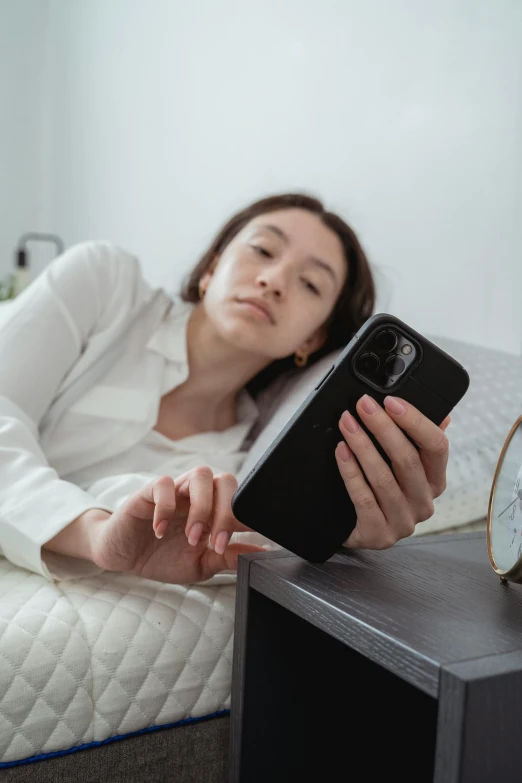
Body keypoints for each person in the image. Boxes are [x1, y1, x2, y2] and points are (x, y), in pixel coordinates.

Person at [0, 193, 450, 586]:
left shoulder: (233, 475)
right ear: (212, 268)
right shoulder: (105, 283)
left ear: (311, 340)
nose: (273, 281)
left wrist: (338, 534)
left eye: (310, 284)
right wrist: (94, 534)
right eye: (262, 250)